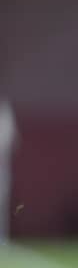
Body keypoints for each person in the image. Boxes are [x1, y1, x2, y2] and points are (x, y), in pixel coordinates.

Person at [0, 98, 17, 245]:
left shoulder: (5, 113)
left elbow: (8, 141)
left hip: (1, 170)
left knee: (1, 204)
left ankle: (2, 238)